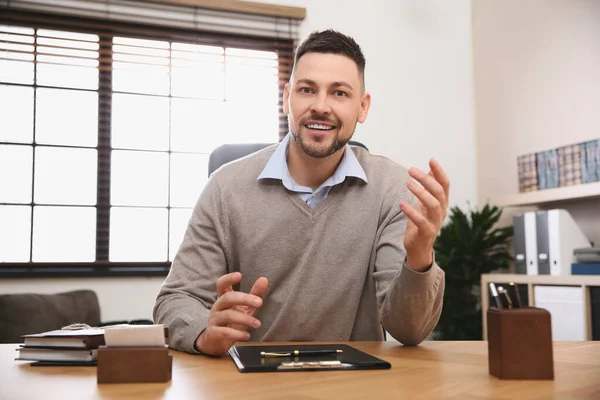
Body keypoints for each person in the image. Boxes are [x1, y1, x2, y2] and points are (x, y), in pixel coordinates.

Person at [153, 29, 449, 356]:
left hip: (355, 384)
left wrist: (420, 256)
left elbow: (408, 330)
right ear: (286, 98)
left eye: (339, 93)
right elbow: (175, 299)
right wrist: (205, 332)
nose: (321, 107)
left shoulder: (394, 188)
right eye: (307, 90)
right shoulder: (225, 188)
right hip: (251, 382)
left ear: (362, 108)